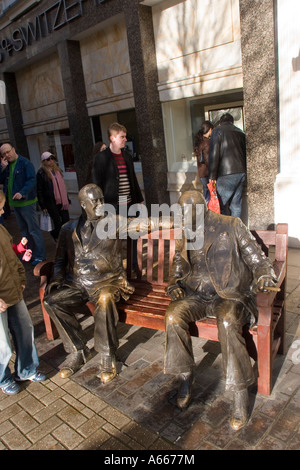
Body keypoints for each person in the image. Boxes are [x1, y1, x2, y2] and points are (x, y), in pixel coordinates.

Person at [164, 189, 277, 431]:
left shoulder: (231, 224)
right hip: (196, 295)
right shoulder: (185, 232)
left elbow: (256, 258)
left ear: (200, 210)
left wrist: (265, 274)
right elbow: (177, 265)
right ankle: (185, 377)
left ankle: (239, 393)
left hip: (228, 294)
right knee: (173, 316)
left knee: (227, 321)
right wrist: (174, 284)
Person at [43, 184, 168, 384]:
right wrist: (57, 279)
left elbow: (142, 224)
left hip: (108, 282)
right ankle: (78, 350)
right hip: (77, 284)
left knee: (105, 298)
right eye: (96, 201)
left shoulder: (114, 222)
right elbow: (59, 260)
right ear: (83, 204)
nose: (101, 204)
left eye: (102, 199)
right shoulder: (68, 229)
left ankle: (108, 354)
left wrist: (175, 220)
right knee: (52, 301)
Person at [0, 190, 46, 395]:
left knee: (25, 329)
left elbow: (11, 255)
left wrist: (20, 279)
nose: (3, 210)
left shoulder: (1, 229)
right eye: (0, 207)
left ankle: (26, 369)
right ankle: (3, 378)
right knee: (3, 344)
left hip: (13, 292)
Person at [0, 143, 46, 266]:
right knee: (24, 231)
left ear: (13, 149)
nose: (6, 155)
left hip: (27, 202)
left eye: (8, 151)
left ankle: (40, 256)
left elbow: (32, 180)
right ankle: (29, 254)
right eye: (3, 154)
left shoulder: (25, 163)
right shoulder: (7, 166)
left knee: (33, 230)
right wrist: (2, 168)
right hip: (15, 204)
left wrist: (22, 192)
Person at [91, 123, 143, 213]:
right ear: (112, 138)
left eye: (125, 137)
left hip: (130, 204)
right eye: (122, 137)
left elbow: (133, 179)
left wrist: (139, 200)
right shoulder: (100, 158)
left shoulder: (127, 156)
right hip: (112, 207)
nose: (125, 139)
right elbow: (97, 184)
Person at [208, 113, 246, 218]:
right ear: (232, 122)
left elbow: (214, 154)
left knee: (220, 205)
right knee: (236, 205)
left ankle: (223, 230)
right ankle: (235, 230)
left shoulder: (217, 131)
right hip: (240, 172)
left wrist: (212, 176)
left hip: (226, 173)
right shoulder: (241, 132)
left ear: (220, 122)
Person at [36, 151, 70, 242]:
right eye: (48, 159)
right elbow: (39, 190)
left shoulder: (57, 170)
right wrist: (42, 205)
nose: (50, 161)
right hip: (50, 201)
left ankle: (66, 237)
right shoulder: (41, 173)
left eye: (52, 159)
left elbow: (62, 186)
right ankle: (57, 236)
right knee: (57, 222)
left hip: (62, 200)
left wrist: (67, 198)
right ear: (43, 161)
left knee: (66, 220)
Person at [194, 121, 213, 202]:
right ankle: (206, 213)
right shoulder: (207, 142)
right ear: (210, 130)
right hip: (207, 173)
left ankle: (204, 212)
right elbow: (207, 159)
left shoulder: (199, 141)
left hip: (202, 172)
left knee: (206, 193)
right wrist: (213, 172)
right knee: (209, 195)